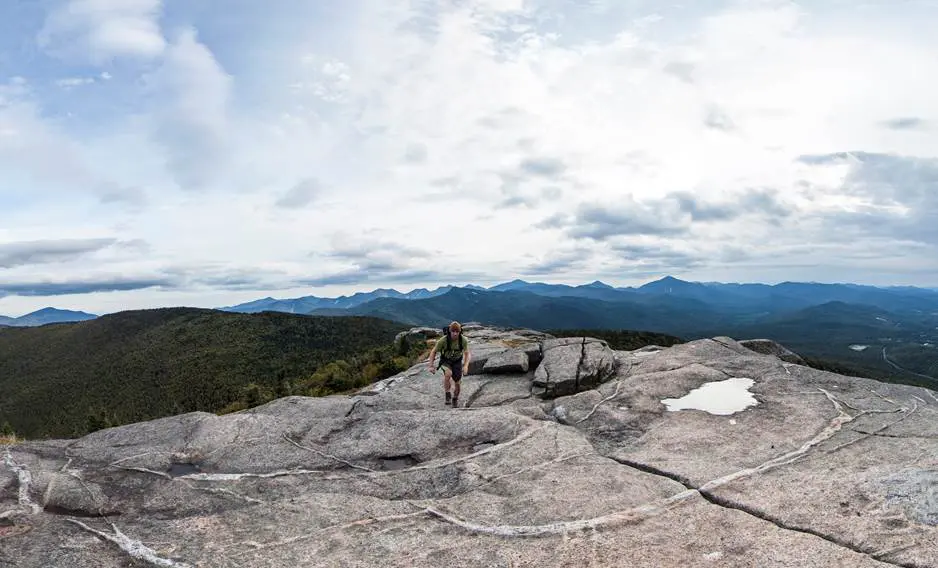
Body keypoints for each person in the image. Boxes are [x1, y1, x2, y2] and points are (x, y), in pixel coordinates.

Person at [427, 321, 471, 407]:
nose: (455, 334)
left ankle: (455, 398)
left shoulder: (463, 340)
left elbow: (467, 353)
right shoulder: (443, 340)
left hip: (457, 361)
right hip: (445, 361)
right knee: (448, 374)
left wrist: (466, 366)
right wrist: (431, 366)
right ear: (449, 331)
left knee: (457, 382)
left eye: (457, 332)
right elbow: (433, 352)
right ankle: (447, 393)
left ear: (460, 332)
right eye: (453, 331)